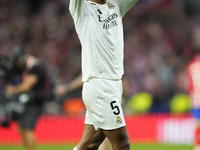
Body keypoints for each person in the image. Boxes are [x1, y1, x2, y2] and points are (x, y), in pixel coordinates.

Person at [69, 0, 140, 149]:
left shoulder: (116, 4)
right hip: (100, 84)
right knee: (122, 143)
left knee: (89, 144)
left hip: (113, 84)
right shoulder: (81, 8)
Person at [5, 43, 53, 150]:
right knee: (21, 128)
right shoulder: (30, 67)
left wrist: (12, 89)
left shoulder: (36, 67)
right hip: (30, 101)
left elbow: (27, 86)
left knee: (27, 128)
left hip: (35, 101)